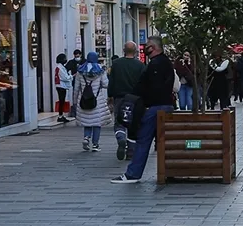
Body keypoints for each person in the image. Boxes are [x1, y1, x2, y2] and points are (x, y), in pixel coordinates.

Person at [111, 36, 175, 184]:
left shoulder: (156, 65)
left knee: (143, 139)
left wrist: (144, 103)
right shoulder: (163, 63)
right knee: (152, 139)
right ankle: (135, 172)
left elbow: (153, 87)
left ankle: (133, 174)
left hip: (155, 107)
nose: (145, 48)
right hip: (163, 106)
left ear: (153, 47)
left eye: (147, 45)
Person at [108, 42, 146, 160]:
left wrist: (110, 97)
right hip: (135, 99)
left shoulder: (116, 64)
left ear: (124, 50)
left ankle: (121, 138)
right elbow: (144, 84)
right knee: (133, 124)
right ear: (135, 51)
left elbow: (111, 82)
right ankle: (130, 152)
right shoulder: (140, 65)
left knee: (119, 122)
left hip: (119, 97)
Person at [73, 52, 110, 152]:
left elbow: (76, 88)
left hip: (83, 100)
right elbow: (106, 84)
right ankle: (95, 145)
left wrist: (75, 101)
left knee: (87, 121)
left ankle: (86, 138)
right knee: (96, 123)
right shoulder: (100, 70)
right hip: (97, 100)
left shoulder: (80, 70)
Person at [65, 49, 83, 117]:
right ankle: (76, 111)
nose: (77, 58)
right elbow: (65, 70)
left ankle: (81, 109)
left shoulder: (84, 61)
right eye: (76, 56)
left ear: (80, 55)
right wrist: (71, 76)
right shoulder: (71, 62)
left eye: (78, 56)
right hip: (74, 81)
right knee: (75, 95)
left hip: (84, 81)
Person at [54, 54, 71, 123]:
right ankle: (60, 116)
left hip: (61, 86)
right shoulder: (60, 68)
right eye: (64, 58)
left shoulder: (60, 67)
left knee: (62, 101)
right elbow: (65, 77)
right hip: (61, 86)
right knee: (61, 101)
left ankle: (61, 115)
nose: (65, 60)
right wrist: (71, 76)